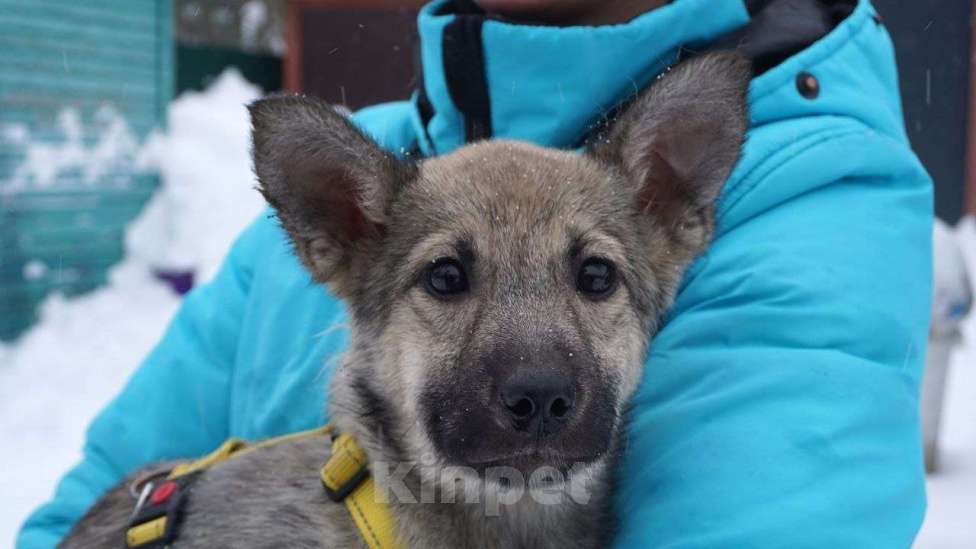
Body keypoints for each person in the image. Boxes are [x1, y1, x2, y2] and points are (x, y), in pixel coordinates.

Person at [18, 0, 932, 546]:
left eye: (595, 278)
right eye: (449, 280)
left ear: (670, 212)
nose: (536, 372)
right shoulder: (373, 191)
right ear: (341, 230)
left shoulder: (817, 194)